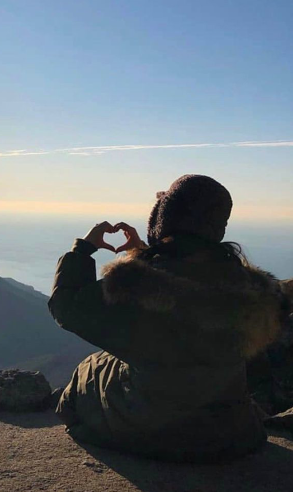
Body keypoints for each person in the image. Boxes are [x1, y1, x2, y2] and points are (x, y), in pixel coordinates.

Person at [48, 174, 288, 462]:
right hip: (231, 435)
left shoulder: (133, 284)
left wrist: (83, 249)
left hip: (146, 432)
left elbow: (68, 308)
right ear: (218, 225)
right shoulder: (254, 291)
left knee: (94, 365)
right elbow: (192, 292)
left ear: (163, 217)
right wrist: (145, 254)